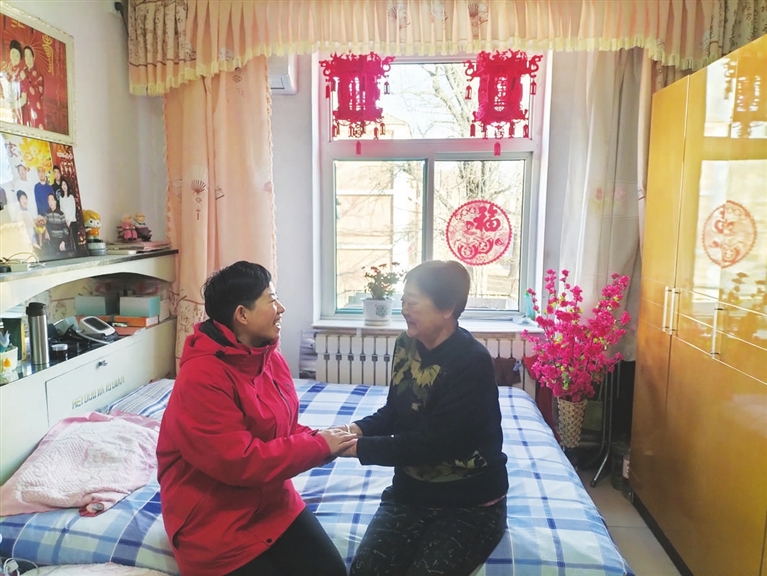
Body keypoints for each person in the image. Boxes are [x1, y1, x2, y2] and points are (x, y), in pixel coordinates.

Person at [157, 261, 354, 576]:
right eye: (271, 300)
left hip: (272, 502)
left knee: (332, 572)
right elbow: (240, 461)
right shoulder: (201, 377)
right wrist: (319, 446)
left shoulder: (268, 356)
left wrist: (327, 440)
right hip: (215, 523)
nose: (281, 308)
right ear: (242, 315)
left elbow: (281, 428)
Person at [343, 260, 509, 576]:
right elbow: (396, 410)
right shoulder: (405, 344)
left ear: (447, 308)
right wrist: (353, 430)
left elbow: (432, 444)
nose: (404, 309)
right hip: (409, 495)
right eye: (403, 300)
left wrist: (355, 449)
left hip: (470, 503)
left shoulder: (472, 362)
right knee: (365, 571)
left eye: (413, 302)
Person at [20, 46, 44, 130]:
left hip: (36, 111)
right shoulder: (22, 73)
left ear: (33, 57)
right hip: (24, 111)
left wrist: (24, 79)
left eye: (30, 55)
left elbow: (35, 95)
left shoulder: (39, 76)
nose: (28, 59)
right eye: (26, 56)